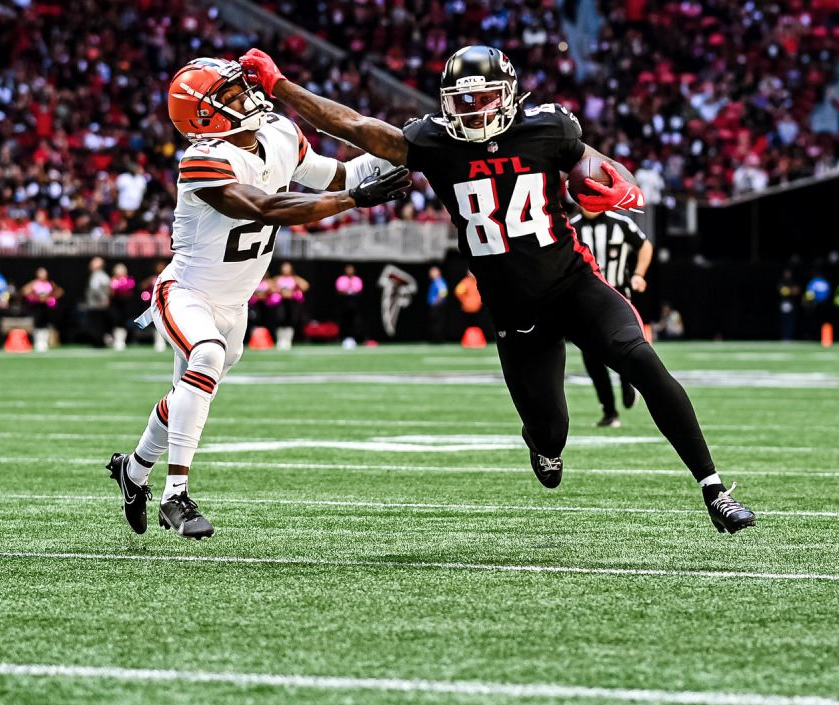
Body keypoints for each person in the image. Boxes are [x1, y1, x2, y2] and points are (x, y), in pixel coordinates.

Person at [245, 45, 754, 532]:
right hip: (515, 312)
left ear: (509, 93)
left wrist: (616, 183)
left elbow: (602, 166)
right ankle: (542, 443)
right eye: (461, 100)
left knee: (640, 359)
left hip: (574, 285)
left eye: (483, 96)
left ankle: (714, 490)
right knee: (551, 431)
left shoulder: (549, 127)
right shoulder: (433, 141)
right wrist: (281, 85)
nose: (472, 109)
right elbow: (353, 126)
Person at [105, 57, 410, 540]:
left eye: (239, 88)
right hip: (186, 292)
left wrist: (405, 147)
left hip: (235, 304)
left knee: (190, 394)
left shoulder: (279, 133)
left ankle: (135, 470)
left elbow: (338, 175)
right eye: (227, 96)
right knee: (205, 358)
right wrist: (355, 201)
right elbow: (267, 207)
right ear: (201, 115)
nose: (244, 97)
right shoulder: (202, 159)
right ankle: (175, 495)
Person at [570, 205, 654, 428]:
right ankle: (609, 411)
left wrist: (638, 274)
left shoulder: (621, 222)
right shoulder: (572, 227)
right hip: (585, 300)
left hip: (618, 297)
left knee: (623, 348)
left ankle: (628, 382)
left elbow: (645, 246)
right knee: (591, 359)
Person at [21, 267, 62, 352]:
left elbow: (60, 291)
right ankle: (38, 342)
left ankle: (44, 342)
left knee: (45, 324)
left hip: (46, 306)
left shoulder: (50, 283)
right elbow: (24, 291)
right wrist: (35, 297)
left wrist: (51, 297)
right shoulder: (35, 283)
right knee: (38, 323)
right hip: (37, 306)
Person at [273, 261, 310, 349]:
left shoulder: (294, 278)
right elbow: (270, 287)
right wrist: (280, 291)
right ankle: (280, 340)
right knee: (280, 320)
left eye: (287, 267)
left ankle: (288, 341)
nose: (285, 269)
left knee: (290, 321)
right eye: (284, 267)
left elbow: (306, 286)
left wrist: (294, 290)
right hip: (281, 302)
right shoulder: (278, 278)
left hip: (291, 302)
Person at [140, 261, 168, 351]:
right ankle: (158, 341)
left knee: (165, 322)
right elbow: (142, 286)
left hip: (166, 303)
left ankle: (166, 341)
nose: (160, 269)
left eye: (162, 267)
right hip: (155, 304)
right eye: (158, 267)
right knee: (155, 323)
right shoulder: (153, 278)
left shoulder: (168, 277)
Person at [335, 264, 364, 347]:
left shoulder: (357, 279)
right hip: (344, 303)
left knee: (355, 322)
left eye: (351, 270)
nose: (349, 272)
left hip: (354, 303)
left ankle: (355, 338)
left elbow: (358, 289)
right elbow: (340, 289)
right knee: (344, 321)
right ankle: (343, 338)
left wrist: (350, 290)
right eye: (348, 270)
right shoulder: (341, 279)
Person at [109, 263, 136, 350]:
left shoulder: (129, 280)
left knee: (124, 322)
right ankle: (117, 340)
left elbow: (129, 291)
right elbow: (111, 292)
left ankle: (122, 341)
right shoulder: (113, 280)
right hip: (115, 304)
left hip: (125, 304)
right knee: (116, 321)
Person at [85, 256, 111, 348]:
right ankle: (99, 341)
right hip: (97, 304)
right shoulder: (100, 275)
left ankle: (99, 342)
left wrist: (102, 299)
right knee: (99, 324)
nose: (90, 265)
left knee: (97, 325)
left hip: (97, 305)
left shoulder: (99, 275)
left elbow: (95, 288)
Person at [426, 265, 449, 343]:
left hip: (437, 306)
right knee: (435, 323)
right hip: (436, 305)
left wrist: (436, 302)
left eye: (432, 272)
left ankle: (437, 340)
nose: (430, 273)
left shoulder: (438, 281)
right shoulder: (435, 281)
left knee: (437, 323)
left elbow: (443, 293)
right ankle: (436, 339)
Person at [777, 268, 800, 341]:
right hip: (784, 303)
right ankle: (784, 337)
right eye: (786, 273)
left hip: (791, 303)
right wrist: (790, 290)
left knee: (791, 322)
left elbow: (796, 291)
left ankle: (789, 337)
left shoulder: (793, 282)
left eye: (788, 273)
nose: (787, 275)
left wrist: (789, 291)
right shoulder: (782, 281)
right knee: (784, 321)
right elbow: (782, 291)